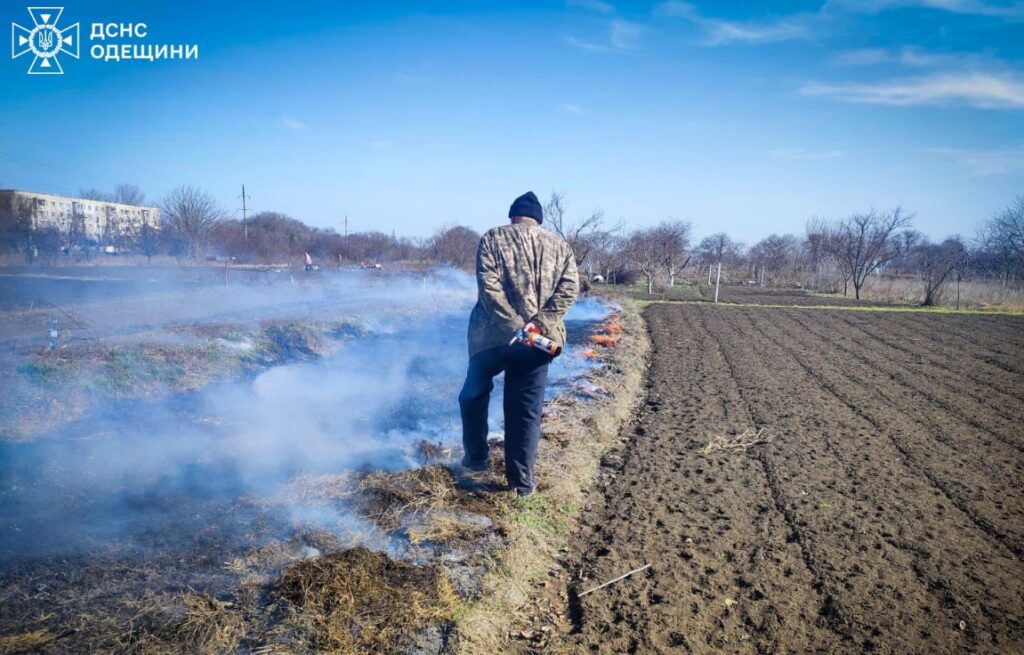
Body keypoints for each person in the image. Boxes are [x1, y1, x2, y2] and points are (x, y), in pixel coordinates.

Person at [459, 191, 579, 496]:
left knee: (473, 395)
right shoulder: (559, 245)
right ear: (538, 219)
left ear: (513, 216)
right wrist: (538, 324)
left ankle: (476, 460)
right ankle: (521, 486)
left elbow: (489, 289)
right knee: (525, 411)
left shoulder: (492, 239)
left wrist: (514, 326)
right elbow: (569, 290)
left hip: (491, 338)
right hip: (539, 343)